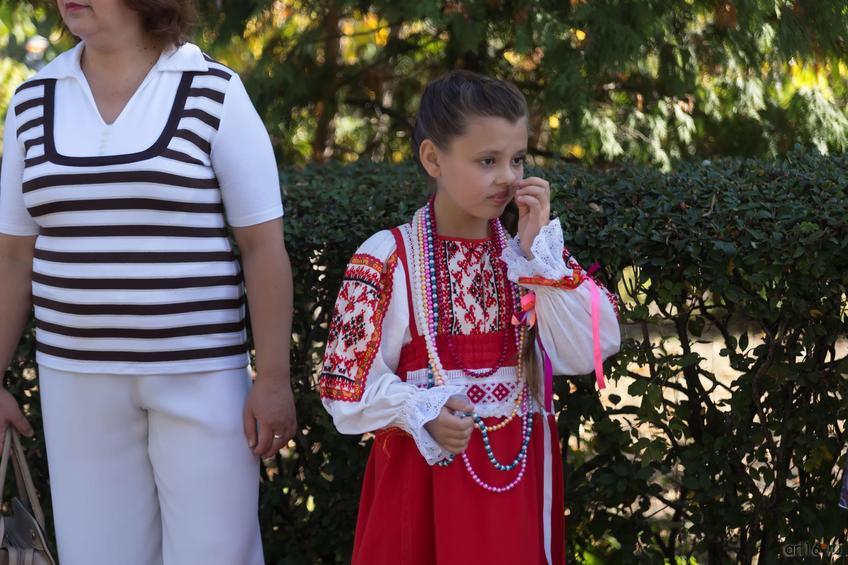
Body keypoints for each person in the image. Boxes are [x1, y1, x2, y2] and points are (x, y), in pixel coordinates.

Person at [0, 1, 296, 563]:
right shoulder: (32, 100)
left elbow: (262, 248)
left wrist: (275, 378)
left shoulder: (214, 89)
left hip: (202, 379)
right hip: (76, 384)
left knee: (216, 555)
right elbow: (13, 256)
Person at [319, 69, 622, 564]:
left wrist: (535, 258)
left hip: (515, 491)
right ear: (433, 157)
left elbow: (591, 347)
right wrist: (423, 410)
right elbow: (344, 389)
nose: (508, 177)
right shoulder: (390, 257)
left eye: (518, 159)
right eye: (487, 160)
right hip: (422, 493)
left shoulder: (528, 260)